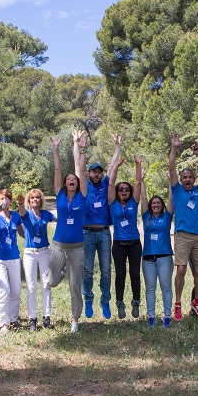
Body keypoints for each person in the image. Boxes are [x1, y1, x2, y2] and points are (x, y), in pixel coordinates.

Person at [46, 131, 89, 332]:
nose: (72, 179)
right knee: (52, 281)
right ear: (64, 183)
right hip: (58, 246)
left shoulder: (82, 195)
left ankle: (75, 319)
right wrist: (55, 148)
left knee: (75, 285)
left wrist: (81, 149)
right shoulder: (60, 195)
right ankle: (61, 271)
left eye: (74, 178)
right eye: (68, 179)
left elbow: (80, 168)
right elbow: (57, 169)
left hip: (77, 249)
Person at [168, 133, 198, 320]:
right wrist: (174, 148)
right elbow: (171, 168)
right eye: (184, 177)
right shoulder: (177, 190)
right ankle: (177, 304)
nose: (186, 179)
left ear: (193, 179)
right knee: (182, 270)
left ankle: (197, 302)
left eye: (189, 177)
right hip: (182, 235)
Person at [80, 133, 121, 319]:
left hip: (104, 233)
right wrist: (80, 148)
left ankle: (105, 301)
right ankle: (88, 299)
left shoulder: (106, 184)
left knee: (106, 270)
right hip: (87, 233)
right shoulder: (84, 187)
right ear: (89, 174)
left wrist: (117, 146)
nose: (96, 174)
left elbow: (113, 166)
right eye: (93, 171)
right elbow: (78, 167)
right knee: (87, 270)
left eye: (99, 171)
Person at [107, 155, 143, 319]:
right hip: (119, 245)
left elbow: (137, 183)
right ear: (117, 192)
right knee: (120, 274)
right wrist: (116, 166)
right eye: (120, 189)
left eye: (126, 189)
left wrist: (138, 164)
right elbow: (110, 182)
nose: (123, 191)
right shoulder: (113, 203)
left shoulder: (133, 203)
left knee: (135, 273)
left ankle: (136, 303)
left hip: (134, 243)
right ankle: (120, 304)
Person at [140, 163, 175, 327]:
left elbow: (171, 198)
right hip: (147, 258)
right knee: (150, 288)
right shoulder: (146, 216)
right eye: (153, 203)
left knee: (166, 287)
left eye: (158, 203)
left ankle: (167, 317)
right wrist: (141, 181)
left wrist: (170, 182)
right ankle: (151, 317)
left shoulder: (167, 217)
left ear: (161, 205)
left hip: (165, 257)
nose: (155, 205)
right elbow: (143, 198)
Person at [17, 189, 56, 330]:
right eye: (32, 198)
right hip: (30, 253)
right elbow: (21, 211)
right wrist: (21, 202)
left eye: (37, 198)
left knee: (46, 285)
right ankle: (32, 318)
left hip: (44, 252)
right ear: (29, 200)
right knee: (31, 286)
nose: (35, 200)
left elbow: (58, 219)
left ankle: (47, 317)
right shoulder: (26, 214)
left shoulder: (45, 214)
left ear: (41, 200)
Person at [0, 189, 23, 334]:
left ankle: (14, 319)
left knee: (16, 290)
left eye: (7, 199)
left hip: (14, 257)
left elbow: (21, 232)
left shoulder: (15, 216)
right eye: (2, 199)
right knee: (4, 290)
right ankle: (4, 323)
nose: (4, 201)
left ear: (10, 201)